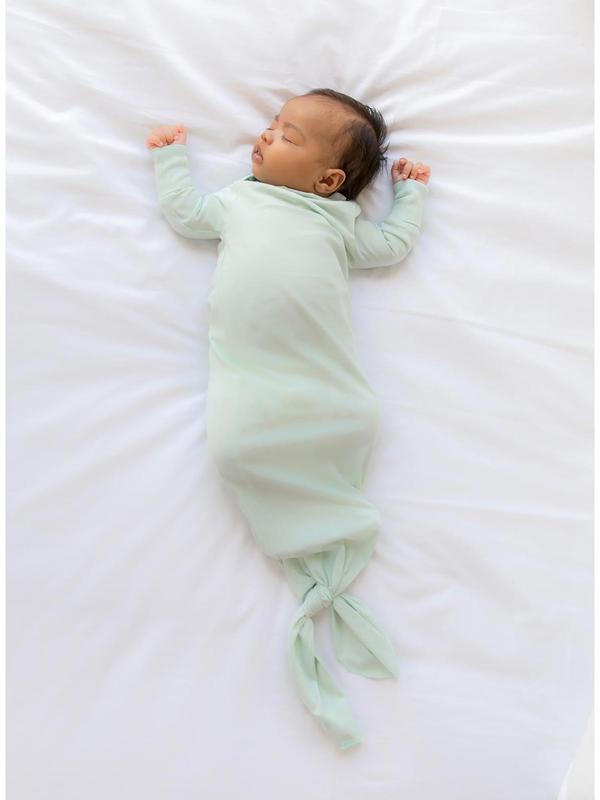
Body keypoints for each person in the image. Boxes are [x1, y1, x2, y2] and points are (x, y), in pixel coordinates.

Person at [146, 89, 431, 751]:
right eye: (273, 124)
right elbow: (187, 214)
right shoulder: (238, 201)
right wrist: (170, 160)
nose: (265, 136)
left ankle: (328, 567)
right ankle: (315, 577)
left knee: (348, 421)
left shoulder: (337, 221)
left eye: (288, 135)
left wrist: (411, 194)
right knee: (234, 448)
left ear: (329, 181)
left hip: (327, 387)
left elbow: (390, 245)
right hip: (252, 382)